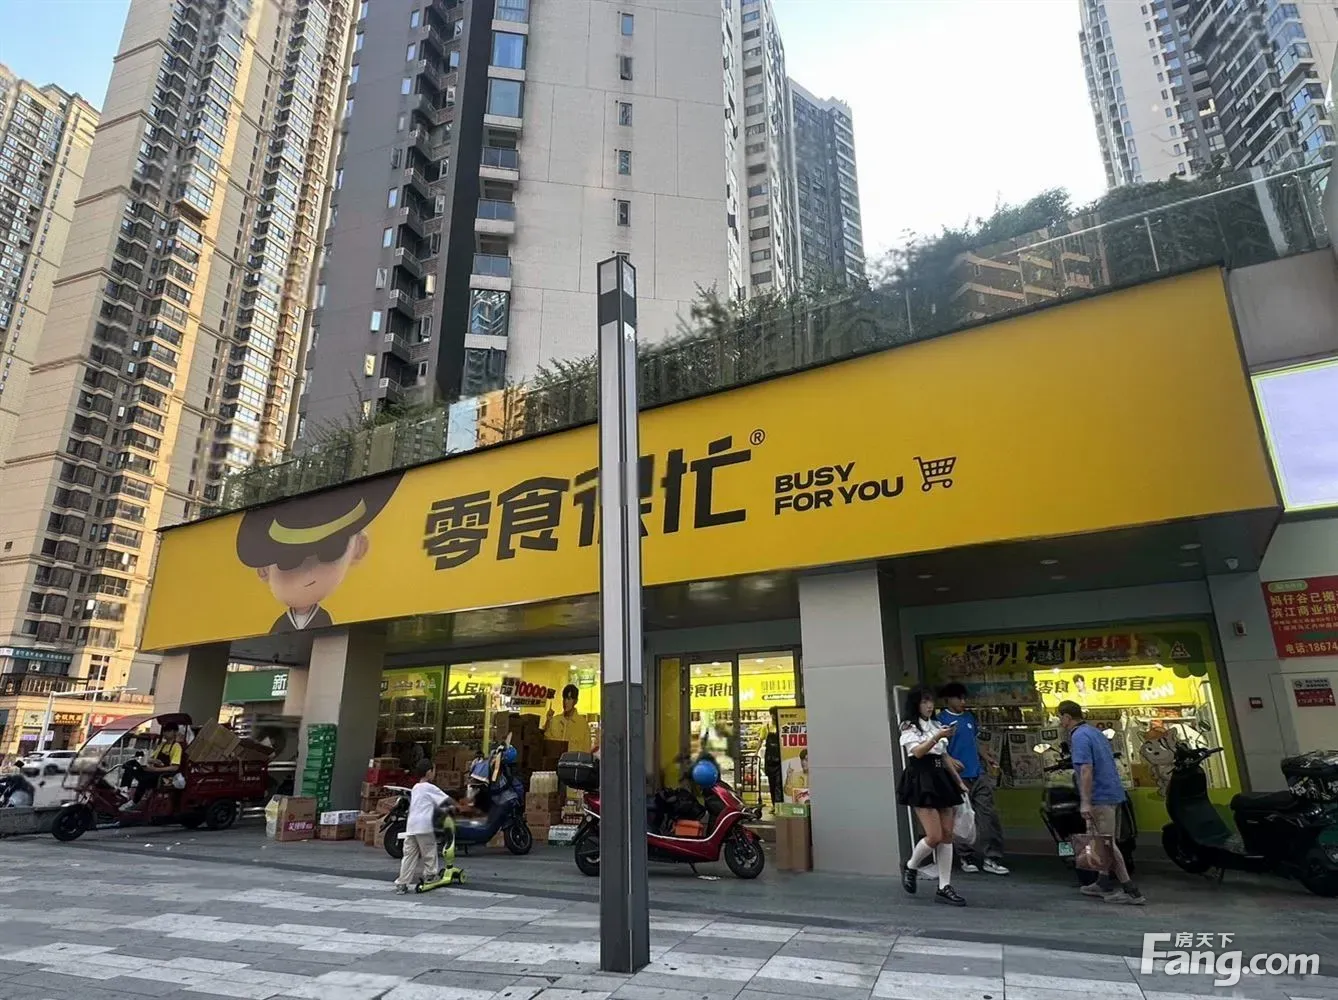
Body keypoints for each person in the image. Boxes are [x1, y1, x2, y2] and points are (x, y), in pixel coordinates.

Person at [235, 474, 402, 634]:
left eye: (330, 551)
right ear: (264, 570)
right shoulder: (277, 625)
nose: (309, 571)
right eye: (290, 559)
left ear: (359, 548)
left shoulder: (331, 620)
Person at [1057, 700, 1146, 905]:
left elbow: (1086, 769)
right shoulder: (1093, 732)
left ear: (1067, 717)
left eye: (1060, 717)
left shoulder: (1079, 736)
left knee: (1107, 844)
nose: (1060, 722)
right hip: (1111, 792)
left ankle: (1131, 891)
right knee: (1100, 841)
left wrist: (1085, 802)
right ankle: (1102, 883)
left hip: (1100, 796)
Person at [897, 687, 968, 906]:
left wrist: (958, 781)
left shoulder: (937, 725)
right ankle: (911, 865)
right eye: (924, 702)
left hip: (940, 777)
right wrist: (937, 737)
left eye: (931, 701)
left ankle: (944, 886)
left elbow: (944, 756)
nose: (929, 706)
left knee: (947, 835)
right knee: (934, 835)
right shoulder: (909, 726)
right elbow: (917, 752)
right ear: (915, 704)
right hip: (920, 778)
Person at [937, 682, 1008, 876]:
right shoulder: (940, 720)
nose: (963, 702)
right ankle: (965, 856)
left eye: (964, 698)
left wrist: (987, 757)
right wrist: (949, 760)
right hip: (956, 777)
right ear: (948, 699)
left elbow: (975, 741)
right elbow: (937, 749)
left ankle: (992, 857)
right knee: (962, 818)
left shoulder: (969, 718)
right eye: (959, 698)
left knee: (988, 815)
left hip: (978, 773)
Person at [394, 761, 450, 894]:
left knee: (409, 855)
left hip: (411, 826)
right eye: (434, 770)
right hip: (424, 825)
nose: (434, 773)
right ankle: (430, 876)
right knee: (429, 852)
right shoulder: (430, 787)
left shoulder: (415, 787)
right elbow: (446, 801)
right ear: (429, 772)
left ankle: (402, 883)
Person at [124, 725, 183, 809]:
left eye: (168, 731)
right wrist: (154, 761)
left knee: (144, 779)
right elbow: (150, 759)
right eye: (164, 731)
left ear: (175, 732)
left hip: (165, 776)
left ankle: (134, 802)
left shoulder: (176, 747)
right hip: (154, 771)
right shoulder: (162, 745)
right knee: (130, 766)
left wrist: (156, 769)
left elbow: (175, 767)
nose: (165, 733)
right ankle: (124, 791)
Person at [544, 684, 592, 753]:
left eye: (569, 699)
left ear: (575, 701)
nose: (565, 702)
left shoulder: (583, 724)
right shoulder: (555, 721)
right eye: (564, 698)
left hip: (573, 759)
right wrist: (548, 721)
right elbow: (546, 743)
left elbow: (586, 751)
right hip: (556, 759)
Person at [763, 710, 783, 807]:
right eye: (773, 714)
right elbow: (760, 740)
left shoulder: (782, 726)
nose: (774, 717)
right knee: (772, 784)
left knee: (778, 784)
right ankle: (774, 805)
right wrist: (755, 752)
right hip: (770, 760)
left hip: (779, 760)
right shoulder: (766, 727)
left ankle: (778, 806)